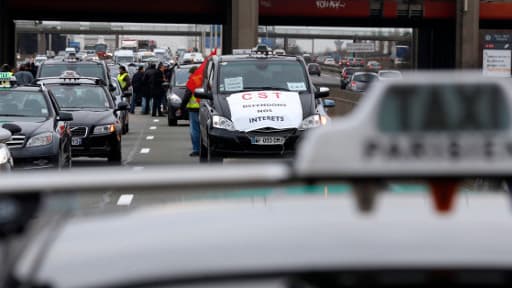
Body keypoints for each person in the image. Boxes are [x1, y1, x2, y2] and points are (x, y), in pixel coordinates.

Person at [178, 66, 200, 157]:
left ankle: (196, 149)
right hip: (205, 108)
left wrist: (181, 108)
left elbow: (187, 96)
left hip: (194, 108)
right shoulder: (205, 79)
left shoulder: (192, 81)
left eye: (190, 73)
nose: (189, 75)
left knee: (194, 130)